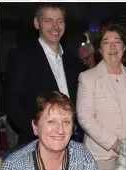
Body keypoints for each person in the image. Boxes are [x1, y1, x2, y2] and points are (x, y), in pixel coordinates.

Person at [0, 91, 111, 170]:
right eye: (51, 121)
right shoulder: (15, 165)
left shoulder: (81, 155)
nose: (60, 130)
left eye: (66, 122)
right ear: (35, 127)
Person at [76, 23, 126, 170]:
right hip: (101, 156)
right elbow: (85, 117)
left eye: (117, 41)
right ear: (99, 49)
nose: (112, 46)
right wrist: (115, 144)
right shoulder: (88, 77)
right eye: (106, 42)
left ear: (124, 46)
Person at [6, 3, 84, 146]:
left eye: (60, 21)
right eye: (48, 20)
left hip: (71, 143)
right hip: (36, 144)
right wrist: (40, 132)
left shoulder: (73, 62)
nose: (55, 27)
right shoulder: (21, 56)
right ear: (37, 23)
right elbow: (15, 107)